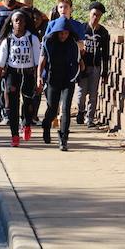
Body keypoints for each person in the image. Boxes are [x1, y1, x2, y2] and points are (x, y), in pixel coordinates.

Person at [0, 10, 41, 147]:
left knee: (28, 102)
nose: (19, 23)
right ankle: (14, 134)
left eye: (21, 20)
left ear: (26, 22)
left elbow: (38, 62)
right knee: (12, 105)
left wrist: (39, 79)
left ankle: (26, 124)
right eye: (16, 21)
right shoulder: (7, 41)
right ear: (11, 23)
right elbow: (0, 64)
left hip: (28, 74)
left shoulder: (33, 39)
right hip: (12, 74)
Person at [37, 17, 84, 151]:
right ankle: (46, 126)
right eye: (61, 33)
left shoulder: (73, 44)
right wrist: (39, 77)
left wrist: (78, 74)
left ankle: (63, 139)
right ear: (56, 32)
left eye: (66, 33)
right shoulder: (49, 43)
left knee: (66, 109)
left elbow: (78, 61)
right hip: (53, 79)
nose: (63, 35)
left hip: (68, 79)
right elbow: (42, 62)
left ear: (69, 33)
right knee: (52, 109)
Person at [76, 1, 111, 127]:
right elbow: (76, 46)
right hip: (83, 65)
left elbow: (106, 53)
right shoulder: (82, 28)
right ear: (89, 14)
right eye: (94, 14)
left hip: (96, 66)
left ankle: (89, 118)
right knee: (81, 92)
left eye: (99, 16)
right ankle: (80, 111)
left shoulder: (103, 32)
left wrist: (105, 71)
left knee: (93, 93)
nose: (95, 18)